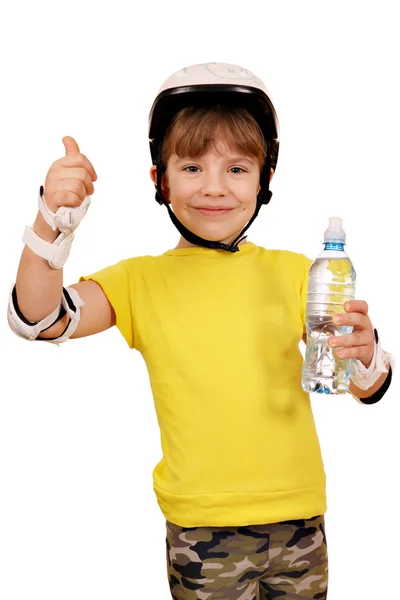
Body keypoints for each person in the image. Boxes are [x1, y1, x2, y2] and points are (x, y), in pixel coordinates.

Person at [8, 63, 394, 599]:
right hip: (201, 530)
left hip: (301, 520)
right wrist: (51, 219)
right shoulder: (140, 279)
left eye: (237, 169)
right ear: (159, 180)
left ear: (266, 181)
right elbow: (39, 318)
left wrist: (368, 353)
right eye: (192, 167)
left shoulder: (296, 272)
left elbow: (365, 383)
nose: (214, 188)